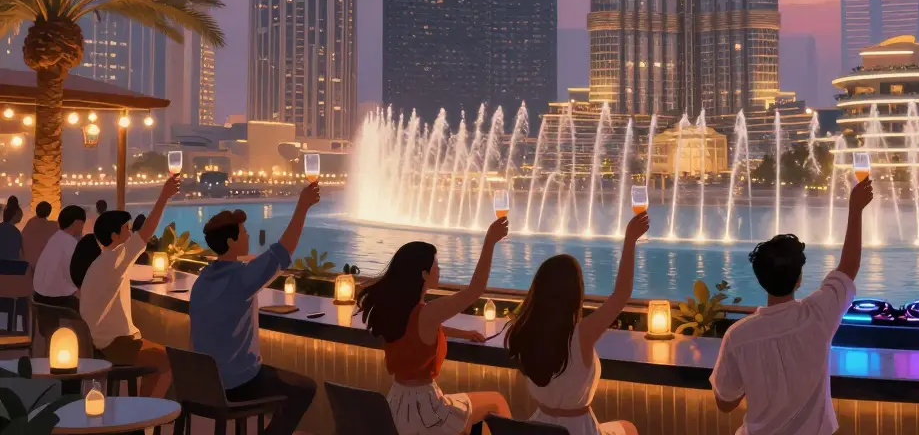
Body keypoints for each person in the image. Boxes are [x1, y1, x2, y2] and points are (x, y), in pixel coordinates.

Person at [709, 176, 874, 435]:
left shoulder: (738, 336)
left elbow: (725, 403)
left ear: (760, 279)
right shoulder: (819, 315)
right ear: (799, 279)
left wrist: (751, 376)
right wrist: (855, 209)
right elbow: (849, 267)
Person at [359, 218, 512, 435]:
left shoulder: (393, 312)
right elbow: (474, 291)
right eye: (436, 265)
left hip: (395, 407)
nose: (439, 269)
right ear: (424, 274)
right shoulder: (427, 313)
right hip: (426, 412)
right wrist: (489, 242)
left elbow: (416, 334)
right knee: (496, 402)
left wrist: (464, 333)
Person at [190, 183, 321, 435]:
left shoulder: (202, 279)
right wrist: (303, 206)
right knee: (304, 388)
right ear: (231, 241)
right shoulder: (241, 278)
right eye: (244, 233)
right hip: (238, 384)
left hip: (205, 383)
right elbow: (283, 251)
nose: (249, 237)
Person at [505, 214, 647, 435]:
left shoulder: (522, 333)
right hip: (578, 430)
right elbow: (621, 295)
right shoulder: (581, 335)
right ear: (575, 293)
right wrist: (630, 241)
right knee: (628, 428)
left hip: (538, 428)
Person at [79, 174, 179, 398]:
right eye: (126, 229)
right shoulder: (117, 258)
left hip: (99, 340)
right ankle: (145, 414)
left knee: (164, 353)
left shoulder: (103, 262)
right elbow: (147, 231)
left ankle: (143, 409)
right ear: (115, 236)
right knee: (169, 363)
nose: (131, 233)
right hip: (115, 344)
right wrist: (164, 196)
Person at [33, 206, 87, 310]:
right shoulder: (69, 242)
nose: (83, 227)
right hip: (57, 300)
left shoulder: (56, 238)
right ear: (76, 223)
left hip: (39, 297)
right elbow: (72, 276)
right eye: (83, 223)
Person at [22, 201, 58, 269]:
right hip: (43, 264)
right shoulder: (53, 225)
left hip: (28, 263)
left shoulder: (30, 222)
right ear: (49, 212)